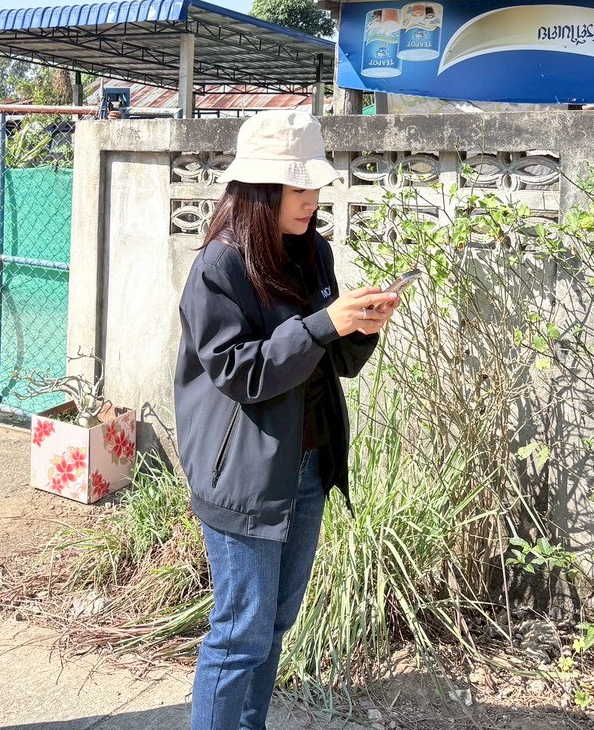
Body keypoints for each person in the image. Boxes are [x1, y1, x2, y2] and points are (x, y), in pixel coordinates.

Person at [174, 110, 400, 730]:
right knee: (240, 632)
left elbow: (332, 361)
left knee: (275, 622)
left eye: (313, 186)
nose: (311, 199)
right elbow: (240, 372)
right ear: (260, 190)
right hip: (242, 473)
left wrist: (361, 324)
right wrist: (326, 324)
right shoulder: (218, 267)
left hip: (304, 464)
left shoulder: (311, 253)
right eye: (298, 188)